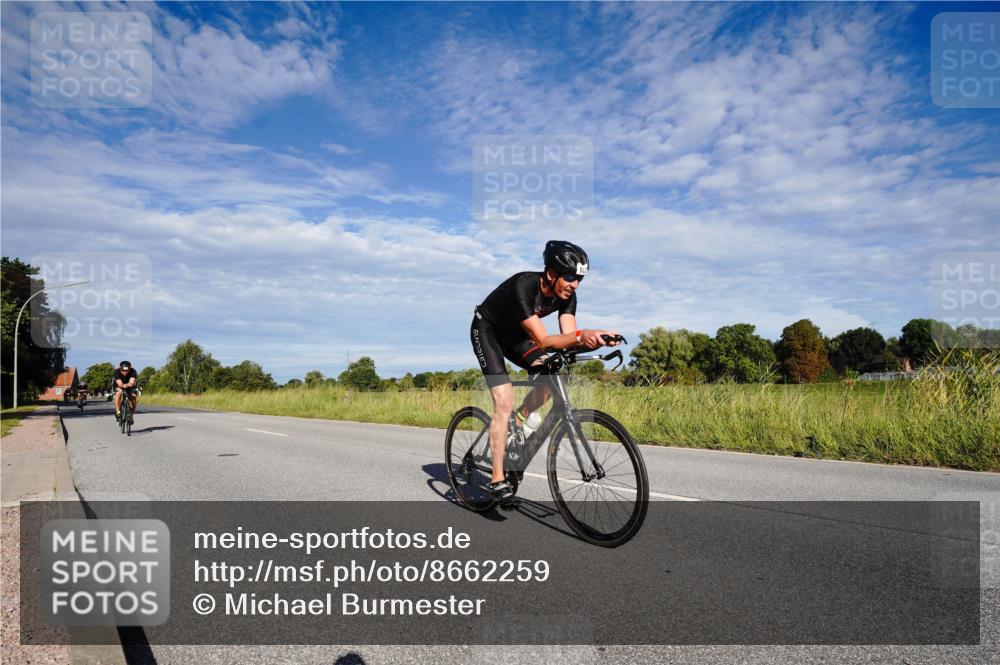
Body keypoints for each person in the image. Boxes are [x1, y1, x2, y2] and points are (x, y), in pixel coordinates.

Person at [471, 240, 622, 507]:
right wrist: (581, 335)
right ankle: (497, 479)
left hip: (517, 336)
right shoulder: (523, 287)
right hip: (488, 332)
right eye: (570, 277)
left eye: (580, 279)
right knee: (504, 400)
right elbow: (543, 341)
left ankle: (519, 421)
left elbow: (567, 337)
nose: (575, 285)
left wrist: (593, 338)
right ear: (551, 274)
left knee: (550, 375)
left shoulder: (568, 296)